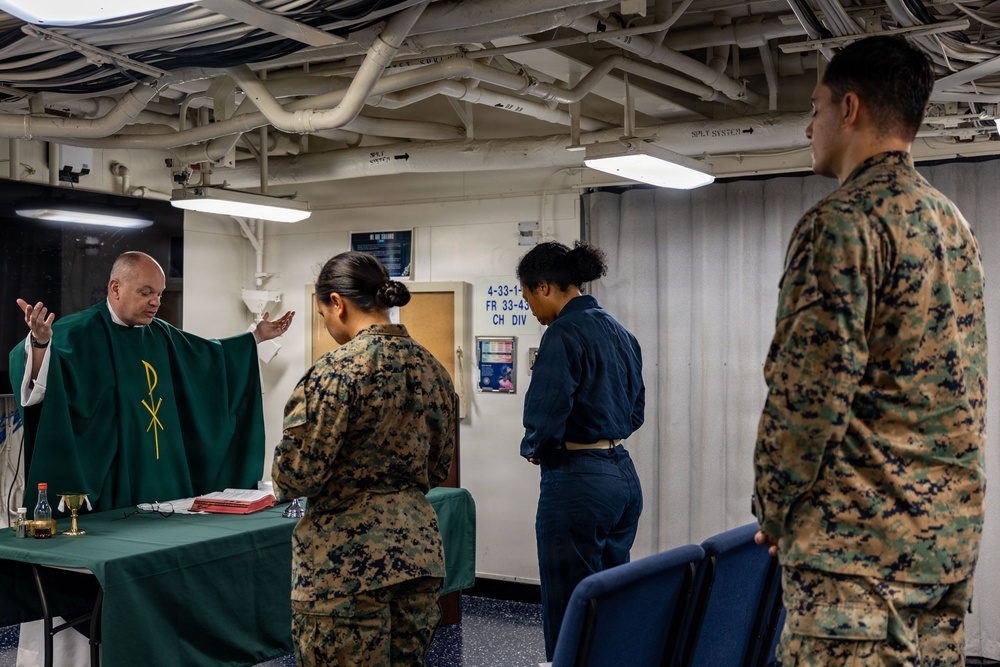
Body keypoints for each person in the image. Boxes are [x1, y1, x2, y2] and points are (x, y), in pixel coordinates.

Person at [753, 36, 987, 666]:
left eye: (817, 107)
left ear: (849, 109)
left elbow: (806, 399)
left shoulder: (841, 223)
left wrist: (774, 510)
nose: (809, 126)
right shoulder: (952, 226)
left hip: (854, 566)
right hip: (943, 552)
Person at [271, 251, 455, 667]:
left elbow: (297, 476)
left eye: (323, 315)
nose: (327, 325)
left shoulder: (335, 372)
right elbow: (438, 467)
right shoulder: (433, 370)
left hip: (345, 564)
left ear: (337, 303)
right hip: (418, 553)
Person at [11, 250, 294, 513]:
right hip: (113, 481)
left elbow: (210, 357)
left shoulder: (162, 335)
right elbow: (45, 393)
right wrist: (39, 344)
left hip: (165, 480)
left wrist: (255, 337)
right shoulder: (76, 333)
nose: (156, 302)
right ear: (116, 288)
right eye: (146, 292)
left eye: (159, 293)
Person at [516, 240, 644, 660]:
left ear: (546, 286)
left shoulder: (563, 333)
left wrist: (533, 444)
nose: (532, 310)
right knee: (610, 595)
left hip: (577, 479)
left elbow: (546, 408)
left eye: (528, 296)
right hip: (622, 477)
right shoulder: (621, 332)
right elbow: (636, 411)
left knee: (568, 598)